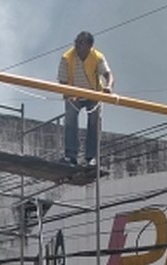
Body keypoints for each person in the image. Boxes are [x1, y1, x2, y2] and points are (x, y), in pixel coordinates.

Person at [57, 31, 113, 167]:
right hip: (74, 93)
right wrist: (68, 93)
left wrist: (109, 86)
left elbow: (108, 74)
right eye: (76, 41)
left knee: (94, 120)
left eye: (81, 42)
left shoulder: (97, 57)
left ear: (89, 46)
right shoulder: (67, 57)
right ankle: (71, 155)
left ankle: (91, 157)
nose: (77, 44)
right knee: (70, 118)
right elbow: (62, 81)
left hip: (93, 94)